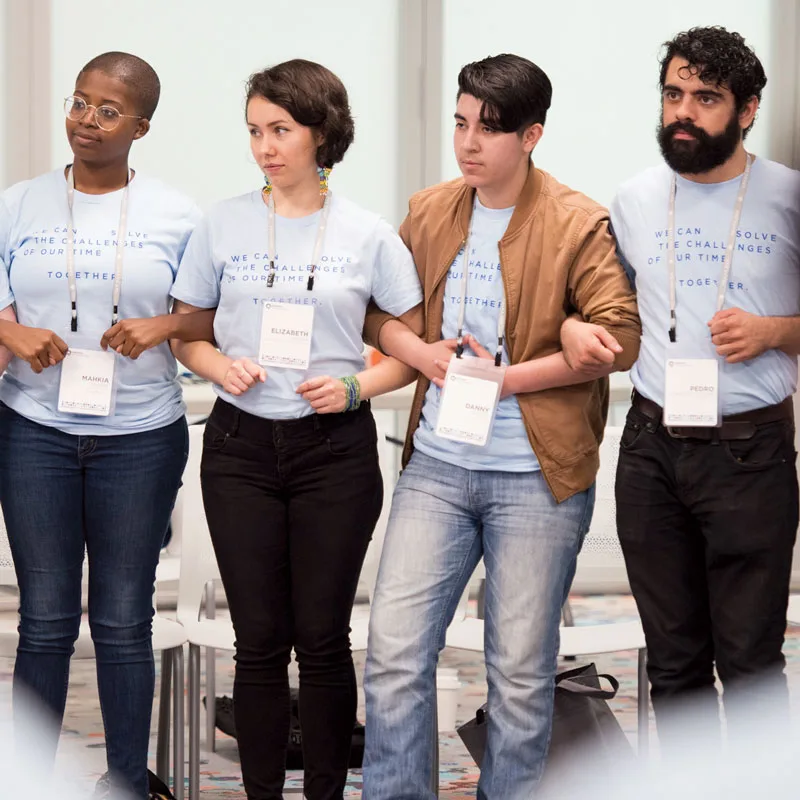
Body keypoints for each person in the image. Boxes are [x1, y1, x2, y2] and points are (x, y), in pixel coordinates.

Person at [361, 53, 641, 799]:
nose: (468, 142)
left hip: (536, 477)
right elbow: (378, 310)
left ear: (532, 135)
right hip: (438, 466)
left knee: (519, 674)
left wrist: (509, 377)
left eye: (489, 128)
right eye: (460, 122)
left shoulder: (578, 222)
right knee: (393, 654)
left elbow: (621, 333)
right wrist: (423, 353)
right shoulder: (428, 211)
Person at [170, 59, 423, 800]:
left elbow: (406, 356)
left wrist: (353, 386)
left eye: (280, 130)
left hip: (334, 453)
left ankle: (321, 793)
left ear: (322, 132)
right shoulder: (221, 223)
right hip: (240, 448)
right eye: (254, 131)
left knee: (320, 641)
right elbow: (188, 336)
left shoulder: (369, 232)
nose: (265, 147)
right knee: (256, 646)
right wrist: (219, 368)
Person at [0, 53, 212, 798]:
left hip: (141, 437)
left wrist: (164, 324)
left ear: (141, 127)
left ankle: (125, 781)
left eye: (108, 110)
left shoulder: (178, 215)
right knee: (46, 621)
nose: (87, 120)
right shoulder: (17, 204)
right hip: (34, 431)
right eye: (80, 103)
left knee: (124, 621)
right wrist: (11, 331)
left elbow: (213, 312)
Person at [587, 26, 800, 750]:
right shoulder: (634, 197)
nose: (683, 111)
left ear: (747, 110)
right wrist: (576, 333)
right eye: (674, 94)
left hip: (750, 455)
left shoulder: (786, 197)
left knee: (748, 665)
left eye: (706, 98)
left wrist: (775, 332)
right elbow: (602, 309)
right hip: (651, 449)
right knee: (673, 666)